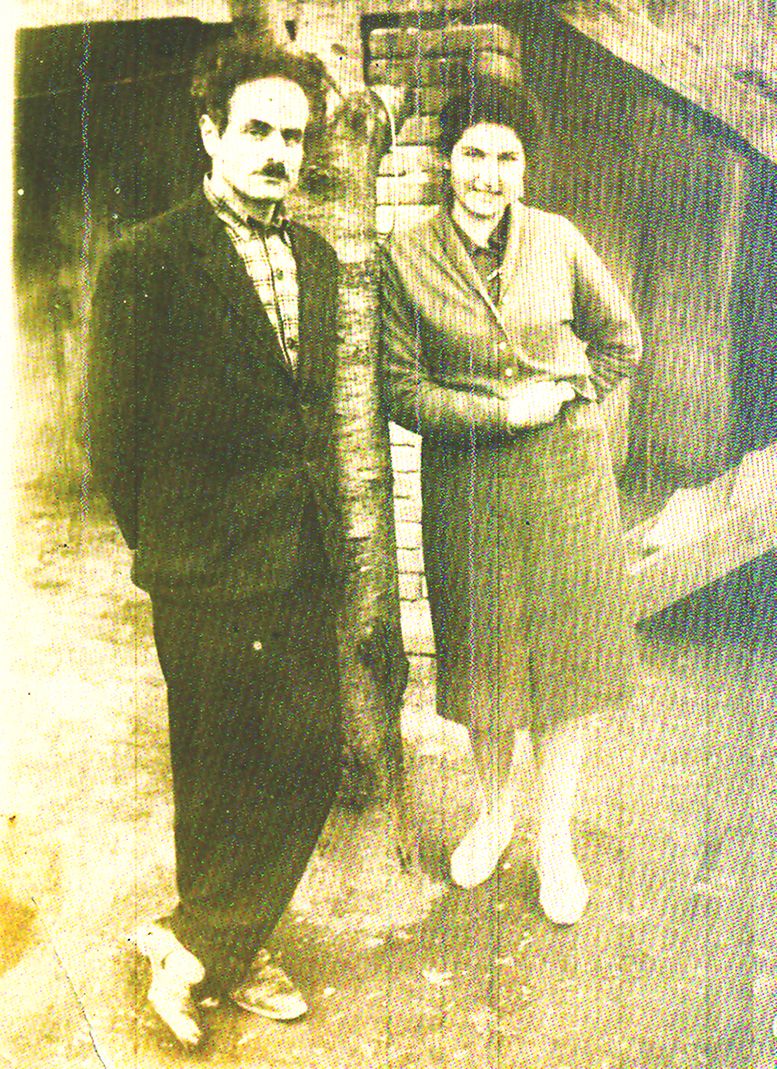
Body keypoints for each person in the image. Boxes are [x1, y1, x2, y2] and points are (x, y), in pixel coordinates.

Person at [88, 37, 406, 1051]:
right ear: (210, 134)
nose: (277, 153)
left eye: (293, 137)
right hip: (203, 569)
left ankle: (194, 944)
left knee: (308, 758)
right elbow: (112, 439)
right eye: (257, 131)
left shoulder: (314, 257)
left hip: (300, 557)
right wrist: (177, 547)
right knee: (216, 769)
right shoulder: (147, 259)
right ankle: (224, 949)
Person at [380, 85, 642, 926]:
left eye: (505, 158)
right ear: (444, 160)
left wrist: (569, 399)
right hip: (470, 489)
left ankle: (554, 838)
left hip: (566, 484)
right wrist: (501, 413)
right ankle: (494, 816)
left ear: (524, 169)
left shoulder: (557, 239)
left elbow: (621, 340)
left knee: (565, 669)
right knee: (484, 666)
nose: (487, 175)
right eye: (472, 154)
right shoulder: (405, 256)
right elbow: (401, 390)